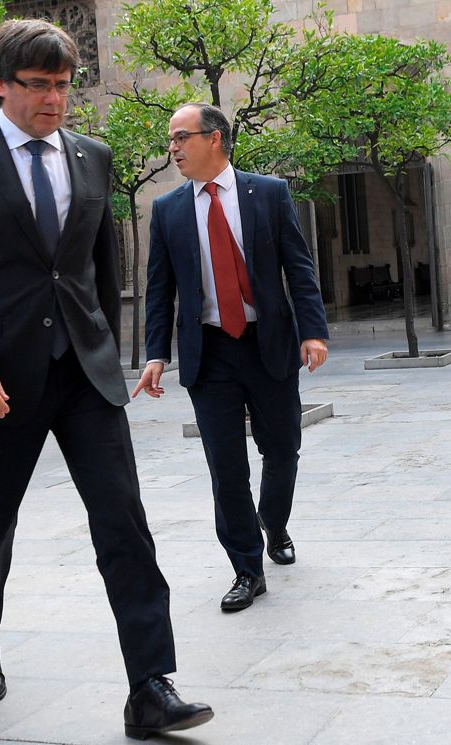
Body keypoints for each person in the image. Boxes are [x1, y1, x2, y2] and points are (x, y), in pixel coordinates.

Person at [0, 19, 212, 739]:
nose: (53, 99)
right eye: (37, 85)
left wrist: (104, 347)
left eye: (63, 85)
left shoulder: (92, 156)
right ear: (2, 84)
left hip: (83, 376)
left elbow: (97, 270)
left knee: (124, 522)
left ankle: (150, 686)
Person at [133, 103, 329, 612]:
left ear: (215, 138)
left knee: (282, 448)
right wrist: (155, 354)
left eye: (181, 137)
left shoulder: (268, 193)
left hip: (269, 344)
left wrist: (313, 332)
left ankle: (276, 523)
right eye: (171, 139)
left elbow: (299, 268)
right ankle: (246, 566)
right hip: (210, 351)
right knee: (225, 465)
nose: (172, 147)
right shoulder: (169, 209)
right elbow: (160, 290)